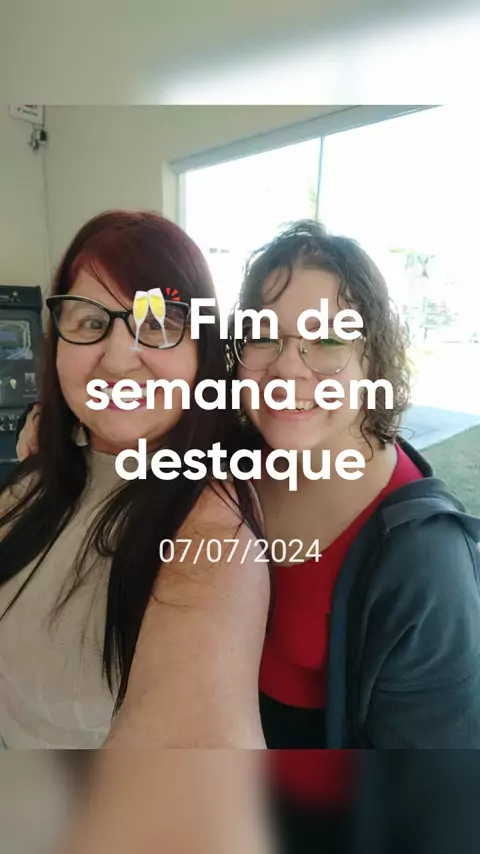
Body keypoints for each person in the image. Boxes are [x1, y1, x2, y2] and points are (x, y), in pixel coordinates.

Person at [0, 211, 272, 853]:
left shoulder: (211, 520)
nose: (119, 358)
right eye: (89, 321)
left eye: (158, 324)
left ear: (202, 351)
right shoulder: (37, 480)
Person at [228, 219, 480, 852]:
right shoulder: (240, 460)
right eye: (264, 335)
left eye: (327, 339)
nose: (288, 367)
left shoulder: (425, 559)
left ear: (374, 360)